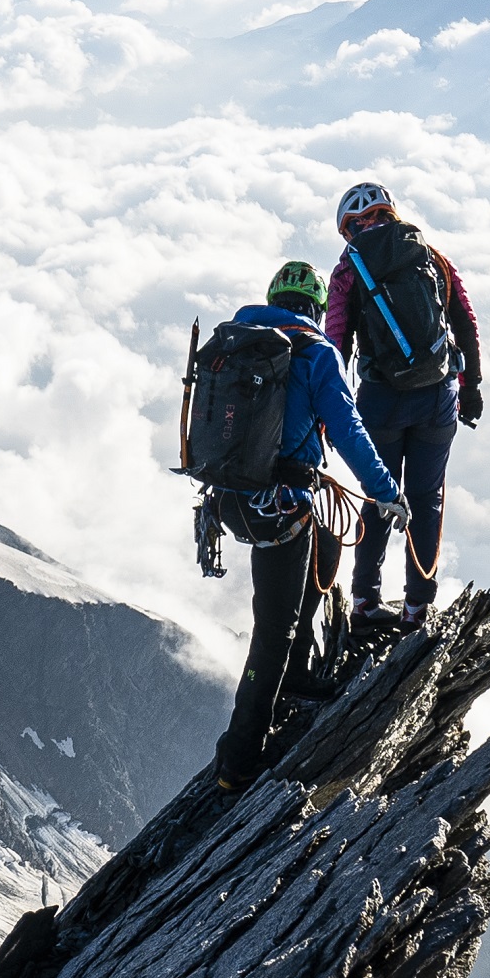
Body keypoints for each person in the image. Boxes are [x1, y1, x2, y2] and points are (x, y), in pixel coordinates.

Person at [199, 258, 405, 790]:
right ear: (316, 308)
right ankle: (240, 758)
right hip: (281, 506)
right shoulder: (317, 355)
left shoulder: (240, 343)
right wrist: (387, 493)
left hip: (233, 498)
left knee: (324, 557)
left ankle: (296, 675)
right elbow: (350, 432)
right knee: (274, 627)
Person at [321, 179, 484, 634]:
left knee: (379, 497)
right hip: (438, 396)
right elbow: (464, 322)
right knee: (426, 499)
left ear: (348, 229)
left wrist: (331, 415)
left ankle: (365, 603)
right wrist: (471, 388)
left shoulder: (347, 272)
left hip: (381, 403)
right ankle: (417, 608)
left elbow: (335, 346)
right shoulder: (430, 256)